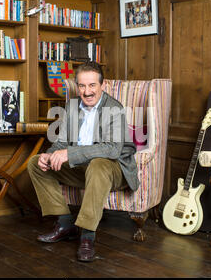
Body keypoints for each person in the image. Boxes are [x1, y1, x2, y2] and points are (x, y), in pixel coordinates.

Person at [27, 61, 139, 262]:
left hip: (113, 169)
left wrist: (70, 153)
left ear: (102, 86)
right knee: (36, 163)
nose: (87, 92)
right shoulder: (72, 107)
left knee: (97, 164)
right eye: (82, 86)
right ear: (77, 86)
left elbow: (111, 149)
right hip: (82, 169)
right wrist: (49, 155)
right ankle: (64, 223)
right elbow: (60, 142)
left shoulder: (114, 108)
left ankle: (87, 236)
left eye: (92, 85)